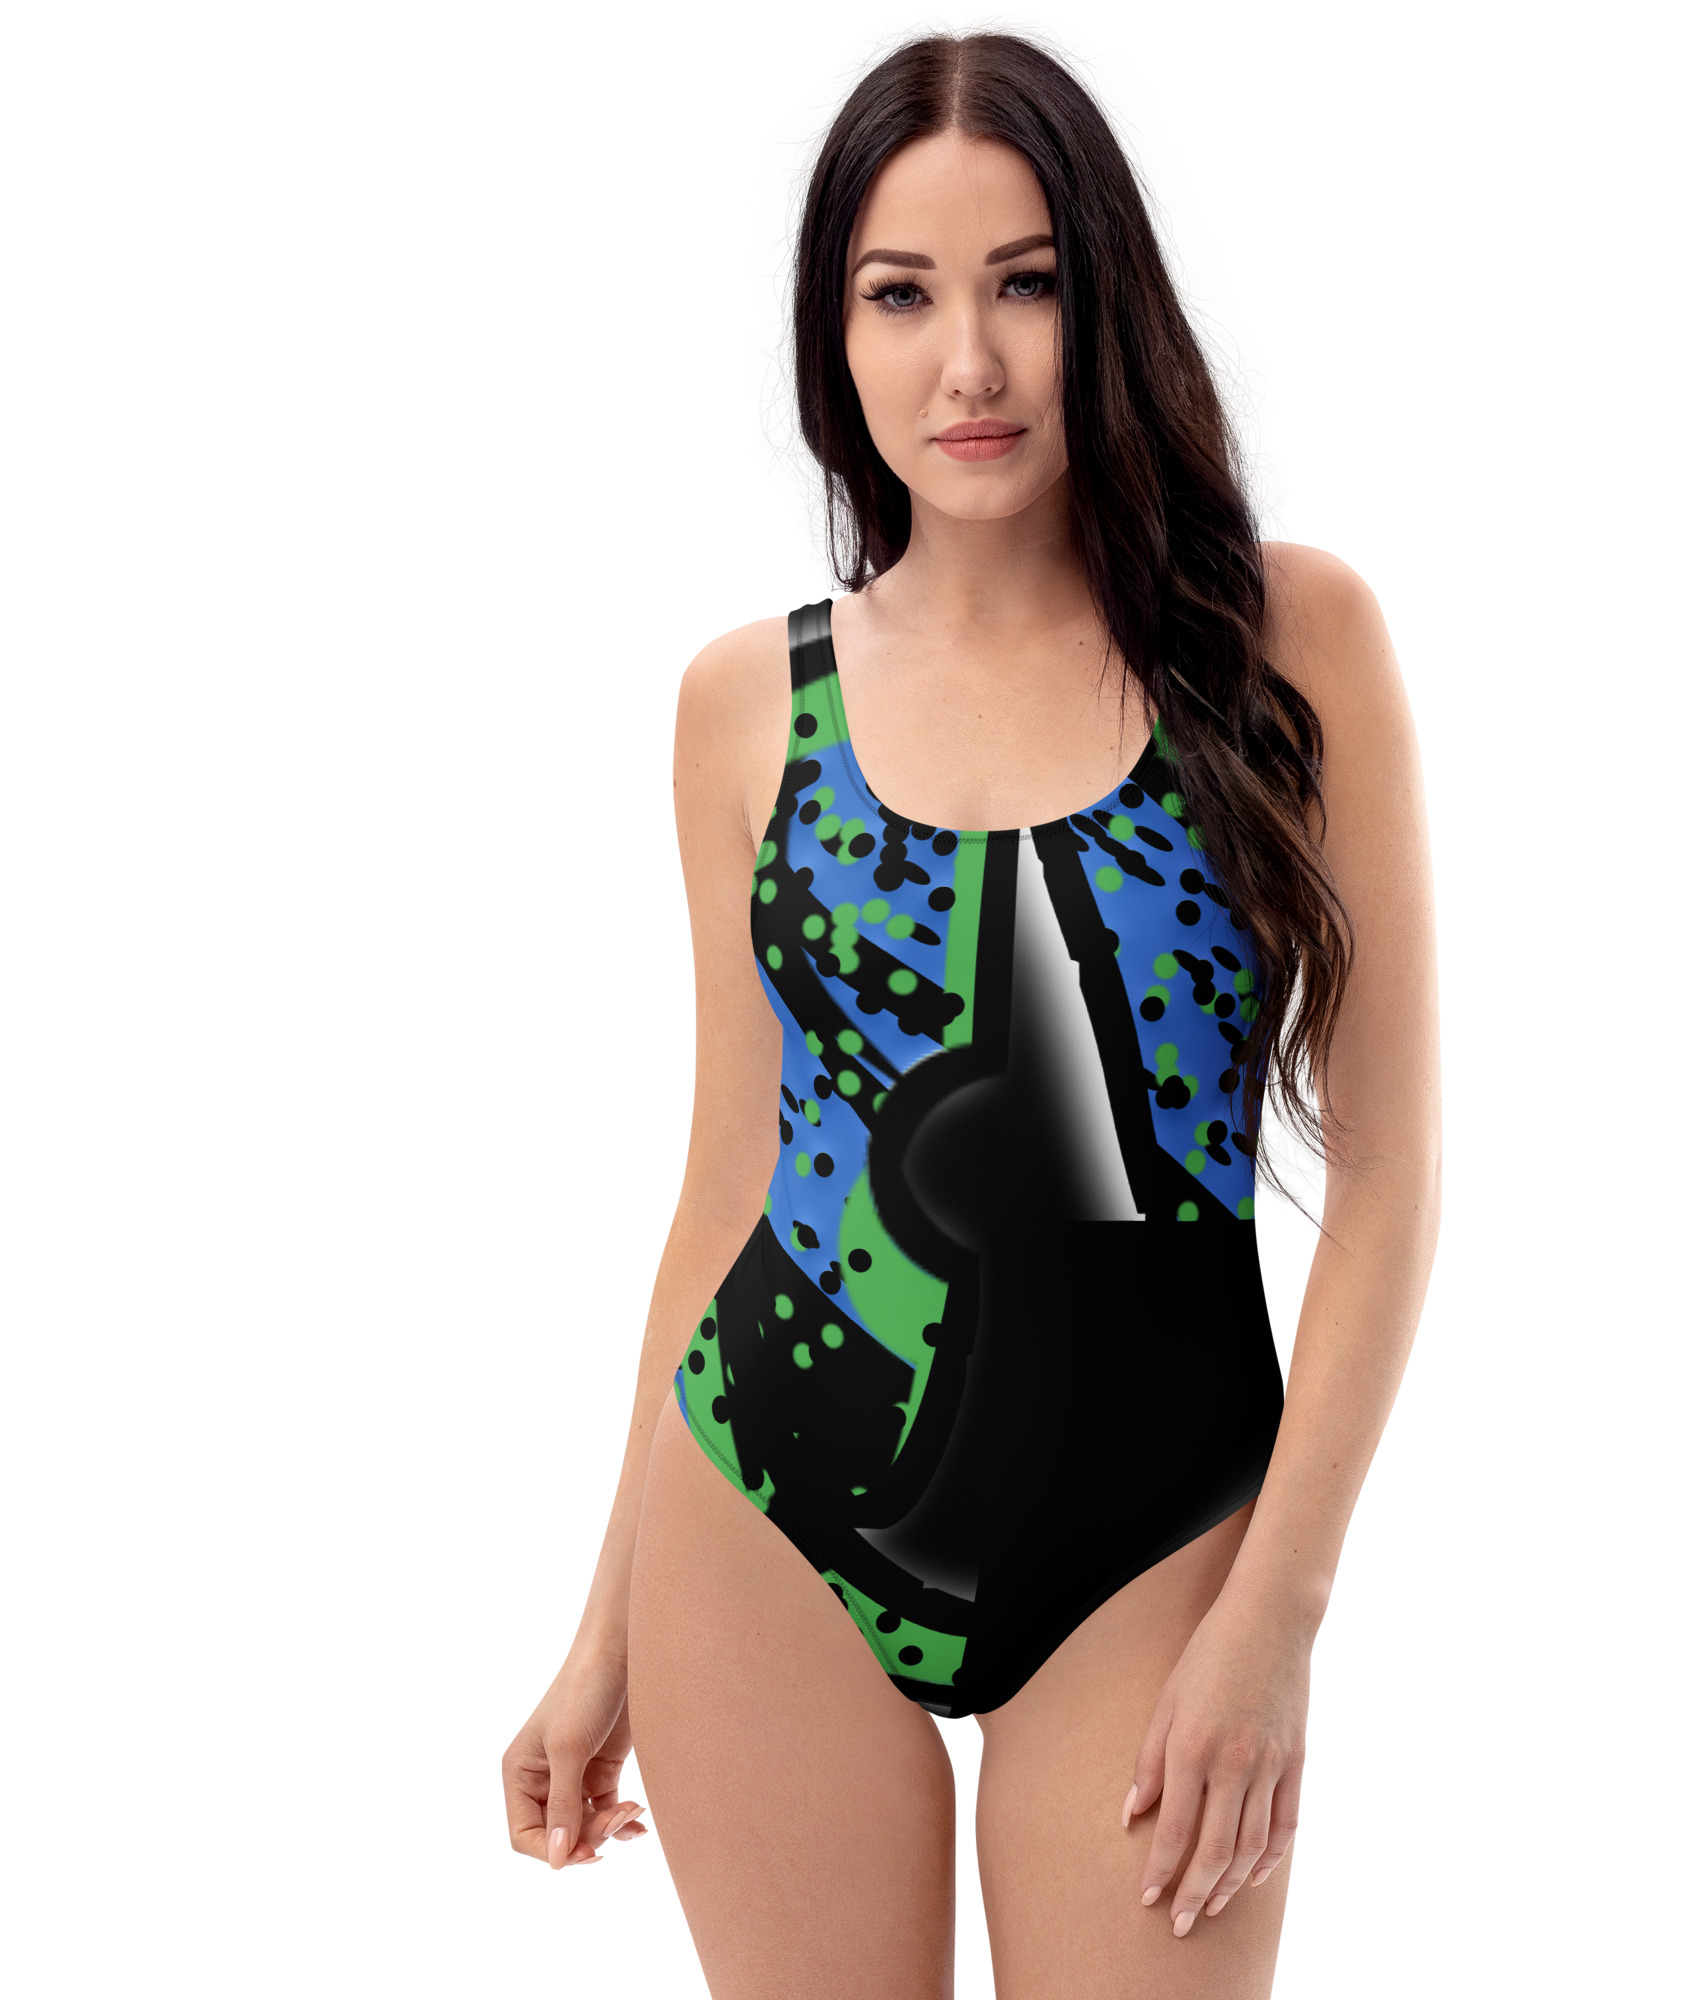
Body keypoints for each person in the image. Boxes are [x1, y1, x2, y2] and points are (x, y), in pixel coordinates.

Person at [501, 31, 1440, 1998]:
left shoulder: (1288, 647)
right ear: (831, 337)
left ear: (1107, 299)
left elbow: (1388, 1178)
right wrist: (607, 1629)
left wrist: (1278, 1619)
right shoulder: (747, 706)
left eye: (1025, 282)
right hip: (762, 1525)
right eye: (900, 296)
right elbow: (729, 1184)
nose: (971, 365)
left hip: (1157, 1551)